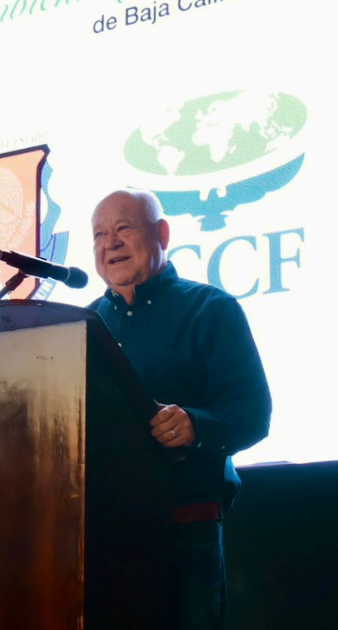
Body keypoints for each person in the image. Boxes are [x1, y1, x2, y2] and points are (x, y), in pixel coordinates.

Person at [88, 189, 272, 630]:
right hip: (102, 536)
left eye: (123, 228)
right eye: (98, 234)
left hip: (185, 531)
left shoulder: (211, 309)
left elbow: (253, 412)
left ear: (162, 234)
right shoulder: (84, 325)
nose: (110, 243)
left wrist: (195, 424)